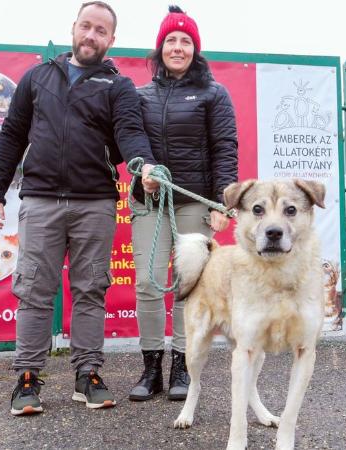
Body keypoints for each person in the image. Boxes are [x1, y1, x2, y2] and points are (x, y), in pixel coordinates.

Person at [0, 1, 159, 415]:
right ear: (74, 28)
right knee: (33, 290)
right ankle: (27, 379)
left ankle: (87, 375)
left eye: (101, 31)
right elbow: (11, 135)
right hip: (40, 199)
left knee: (90, 289)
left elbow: (130, 134)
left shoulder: (119, 88)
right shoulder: (38, 78)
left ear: (111, 40)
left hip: (95, 202)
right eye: (86, 26)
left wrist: (144, 166)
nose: (91, 36)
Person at [128, 5, 239, 402]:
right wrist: (143, 170)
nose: (178, 47)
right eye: (171, 41)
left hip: (194, 200)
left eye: (185, 41)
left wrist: (222, 204)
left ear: (196, 48)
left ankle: (182, 366)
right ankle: (150, 367)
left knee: (186, 285)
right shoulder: (139, 95)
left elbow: (225, 147)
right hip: (151, 201)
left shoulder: (213, 93)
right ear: (160, 49)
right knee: (146, 282)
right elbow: (131, 143)